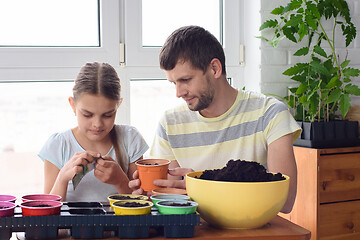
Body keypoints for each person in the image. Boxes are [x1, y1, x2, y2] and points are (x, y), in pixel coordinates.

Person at [129, 25, 301, 213]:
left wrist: (203, 185)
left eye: (185, 80)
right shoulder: (171, 123)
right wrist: (150, 194)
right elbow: (171, 197)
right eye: (174, 83)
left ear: (215, 68)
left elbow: (285, 201)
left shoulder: (270, 114)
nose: (179, 93)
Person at [39, 62, 149, 202]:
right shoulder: (58, 145)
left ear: (118, 106)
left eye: (107, 115)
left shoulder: (129, 138)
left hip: (120, 224)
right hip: (72, 224)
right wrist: (62, 178)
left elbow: (142, 206)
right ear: (73, 105)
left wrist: (120, 181)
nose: (97, 124)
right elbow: (48, 212)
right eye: (87, 115)